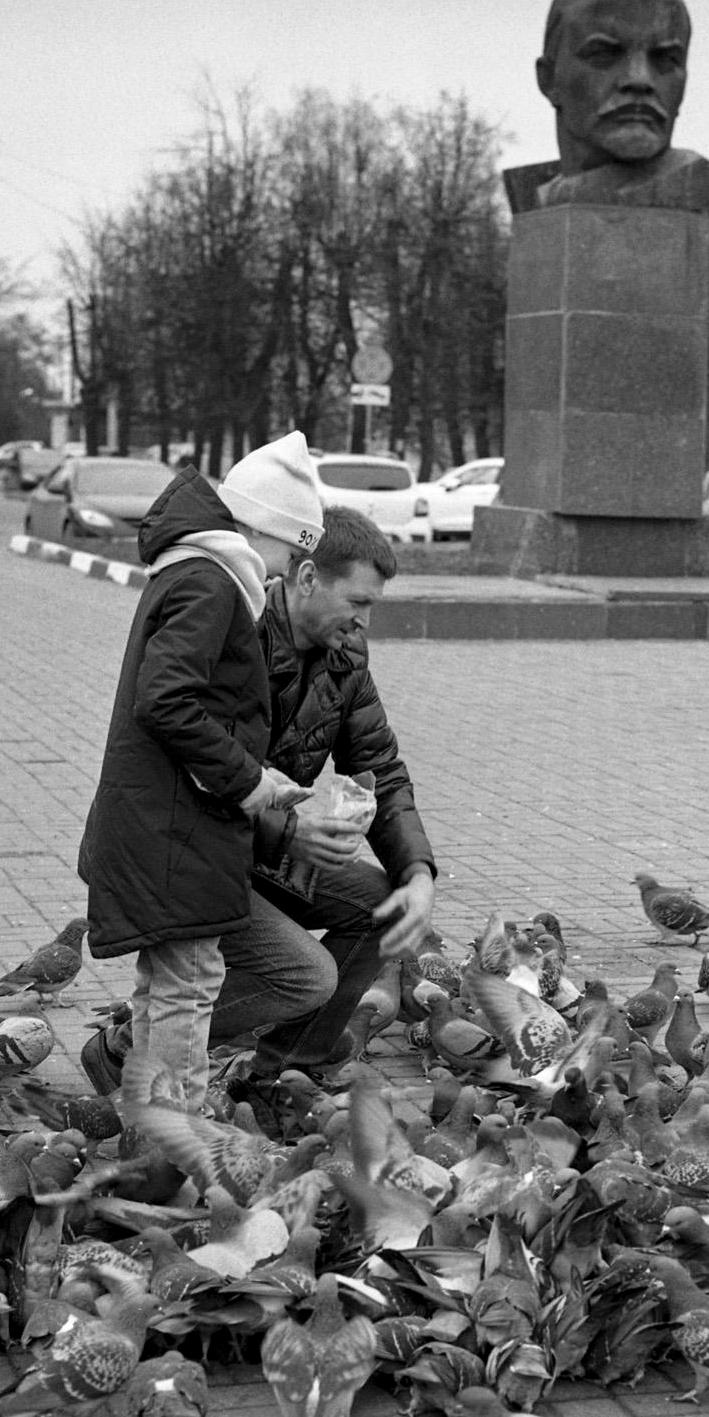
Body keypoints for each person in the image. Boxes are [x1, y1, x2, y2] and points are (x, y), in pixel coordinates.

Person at [77, 430, 324, 1123]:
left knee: (163, 988)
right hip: (174, 830)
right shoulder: (212, 583)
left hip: (162, 820)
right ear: (263, 529)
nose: (281, 574)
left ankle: (146, 1130)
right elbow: (169, 700)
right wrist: (251, 782)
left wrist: (256, 773)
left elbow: (191, 706)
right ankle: (179, 1139)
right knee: (190, 985)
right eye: (290, 552)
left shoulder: (192, 574)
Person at [213, 506, 437, 1109]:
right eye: (357, 602)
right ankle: (134, 1043)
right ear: (306, 577)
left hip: (267, 848)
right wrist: (288, 832)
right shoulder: (234, 641)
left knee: (383, 906)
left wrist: (417, 875)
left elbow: (383, 768)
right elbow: (206, 778)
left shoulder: (346, 658)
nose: (364, 621)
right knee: (306, 974)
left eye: (372, 607)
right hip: (198, 855)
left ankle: (283, 1075)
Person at [530, 0, 709, 212]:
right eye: (604, 54)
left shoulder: (695, 180)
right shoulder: (539, 197)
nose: (639, 79)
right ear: (548, 79)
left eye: (666, 60)